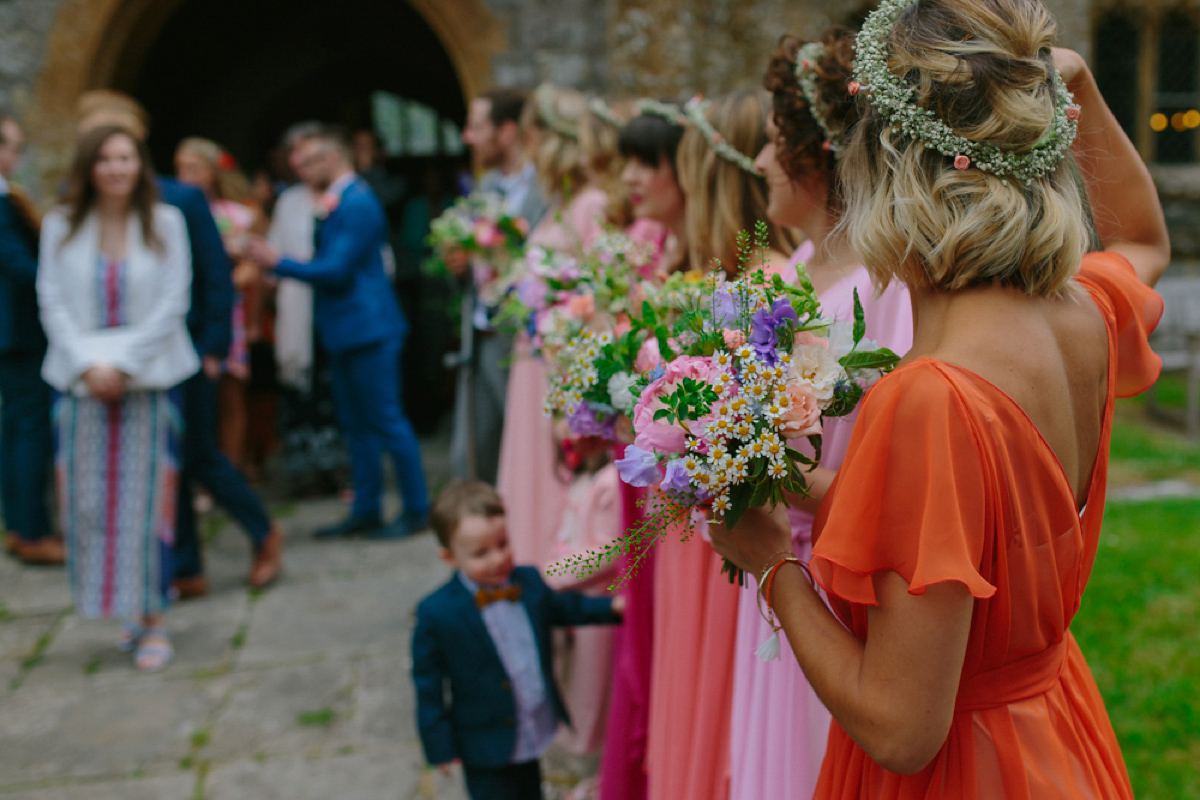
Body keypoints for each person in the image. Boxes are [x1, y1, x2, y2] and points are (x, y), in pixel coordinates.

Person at [709, 1, 1170, 797]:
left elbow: (901, 728)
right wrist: (1084, 87)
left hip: (968, 771)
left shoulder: (928, 398)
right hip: (1056, 732)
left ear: (886, 170)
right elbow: (1143, 240)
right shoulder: (1083, 310)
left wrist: (771, 560)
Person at [727, 28, 914, 800]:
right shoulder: (797, 269)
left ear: (822, 152)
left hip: (833, 590)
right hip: (777, 572)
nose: (762, 164)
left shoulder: (884, 290)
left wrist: (744, 462)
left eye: (775, 143)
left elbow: (888, 491)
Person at [643, 89, 802, 800]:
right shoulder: (736, 277)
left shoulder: (772, 283)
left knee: (716, 692)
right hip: (708, 525)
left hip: (740, 534)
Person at [74, 92, 284, 598]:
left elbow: (215, 275)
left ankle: (264, 532)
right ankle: (188, 566)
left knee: (197, 454)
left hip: (185, 352)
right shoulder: (81, 206)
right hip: (119, 360)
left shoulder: (180, 199)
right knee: (164, 460)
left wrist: (213, 348)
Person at [37, 124, 199, 672]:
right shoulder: (60, 225)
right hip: (82, 385)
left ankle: (153, 615)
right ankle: (121, 608)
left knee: (149, 504)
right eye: (105, 159)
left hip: (147, 383)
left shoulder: (166, 222)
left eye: (125, 158)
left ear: (140, 164)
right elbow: (51, 299)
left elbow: (174, 300)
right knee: (91, 505)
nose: (116, 168)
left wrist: (123, 363)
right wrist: (89, 363)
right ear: (88, 167)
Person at [247, 127, 431, 539]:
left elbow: (335, 269)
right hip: (344, 331)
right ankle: (365, 508)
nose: (302, 170)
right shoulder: (339, 201)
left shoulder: (358, 202)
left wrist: (278, 261)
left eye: (309, 162)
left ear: (332, 159)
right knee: (355, 426)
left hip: (369, 328)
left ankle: (416, 508)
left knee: (387, 422)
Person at [411, 479, 624, 800]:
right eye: (481, 553)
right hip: (483, 739)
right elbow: (428, 685)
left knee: (529, 790)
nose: (498, 559)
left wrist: (613, 607)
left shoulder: (528, 581)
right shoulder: (436, 613)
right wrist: (438, 746)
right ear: (449, 558)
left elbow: (566, 608)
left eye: (502, 543)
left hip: (530, 721)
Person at [448, 88, 547, 486]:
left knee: (529, 453)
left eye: (477, 127)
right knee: (474, 453)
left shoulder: (546, 186)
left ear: (507, 131)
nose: (467, 137)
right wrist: (460, 264)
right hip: (481, 331)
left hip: (523, 337)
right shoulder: (484, 187)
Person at [174, 137, 263, 469]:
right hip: (184, 312)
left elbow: (255, 268)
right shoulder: (169, 212)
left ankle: (230, 471)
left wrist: (221, 280)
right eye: (180, 168)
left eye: (193, 168)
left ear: (212, 172)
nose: (185, 175)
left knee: (230, 397)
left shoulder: (237, 216)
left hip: (228, 312)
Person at [0, 111, 63, 566]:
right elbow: (21, 269)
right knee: (31, 429)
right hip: (19, 332)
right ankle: (32, 531)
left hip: (13, 332)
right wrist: (68, 286)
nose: (16, 157)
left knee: (13, 430)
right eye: (12, 146)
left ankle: (18, 524)